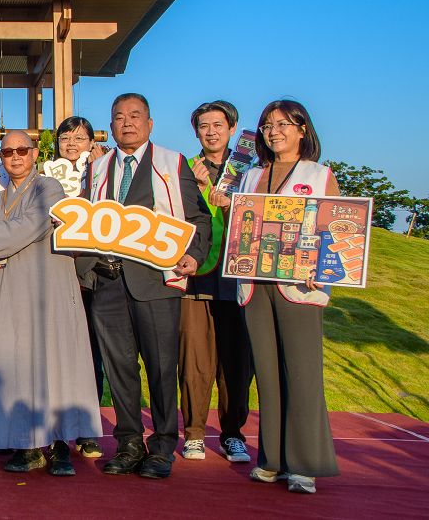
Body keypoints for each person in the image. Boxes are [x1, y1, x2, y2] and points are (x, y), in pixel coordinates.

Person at [0, 130, 103, 476]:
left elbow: (33, 224)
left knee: (55, 364)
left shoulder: (48, 188)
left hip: (47, 289)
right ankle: (26, 444)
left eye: (22, 150)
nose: (15, 157)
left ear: (35, 154)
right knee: (15, 365)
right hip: (9, 290)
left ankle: (60, 443)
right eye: (7, 152)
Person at [83, 93, 211, 480]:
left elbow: (199, 217)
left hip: (156, 281)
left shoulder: (172, 164)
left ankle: (162, 445)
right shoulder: (97, 168)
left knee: (160, 367)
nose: (127, 123)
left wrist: (194, 255)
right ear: (111, 125)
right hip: (108, 283)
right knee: (120, 369)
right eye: (119, 117)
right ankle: (129, 443)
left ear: (149, 123)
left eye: (135, 116)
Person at [224, 100, 339, 494]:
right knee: (268, 375)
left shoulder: (319, 175)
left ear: (303, 130)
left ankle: (303, 464)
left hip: (298, 288)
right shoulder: (250, 176)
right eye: (267, 125)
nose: (274, 132)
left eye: (283, 124)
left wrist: (321, 270)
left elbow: (336, 231)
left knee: (302, 374)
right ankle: (272, 459)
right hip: (254, 285)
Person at [178, 101, 253, 464]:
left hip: (238, 278)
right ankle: (194, 433)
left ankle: (233, 433)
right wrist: (198, 189)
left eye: (218, 125)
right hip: (197, 279)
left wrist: (225, 203)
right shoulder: (185, 169)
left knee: (236, 364)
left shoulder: (250, 172)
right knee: (194, 361)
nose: (211, 132)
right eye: (204, 126)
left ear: (232, 128)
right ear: (196, 132)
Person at [54, 115, 106, 460]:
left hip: (91, 273)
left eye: (78, 138)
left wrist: (99, 169)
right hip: (56, 271)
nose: (71, 144)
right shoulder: (45, 176)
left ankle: (88, 429)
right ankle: (56, 426)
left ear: (91, 142)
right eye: (65, 138)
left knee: (91, 353)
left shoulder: (103, 172)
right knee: (57, 352)